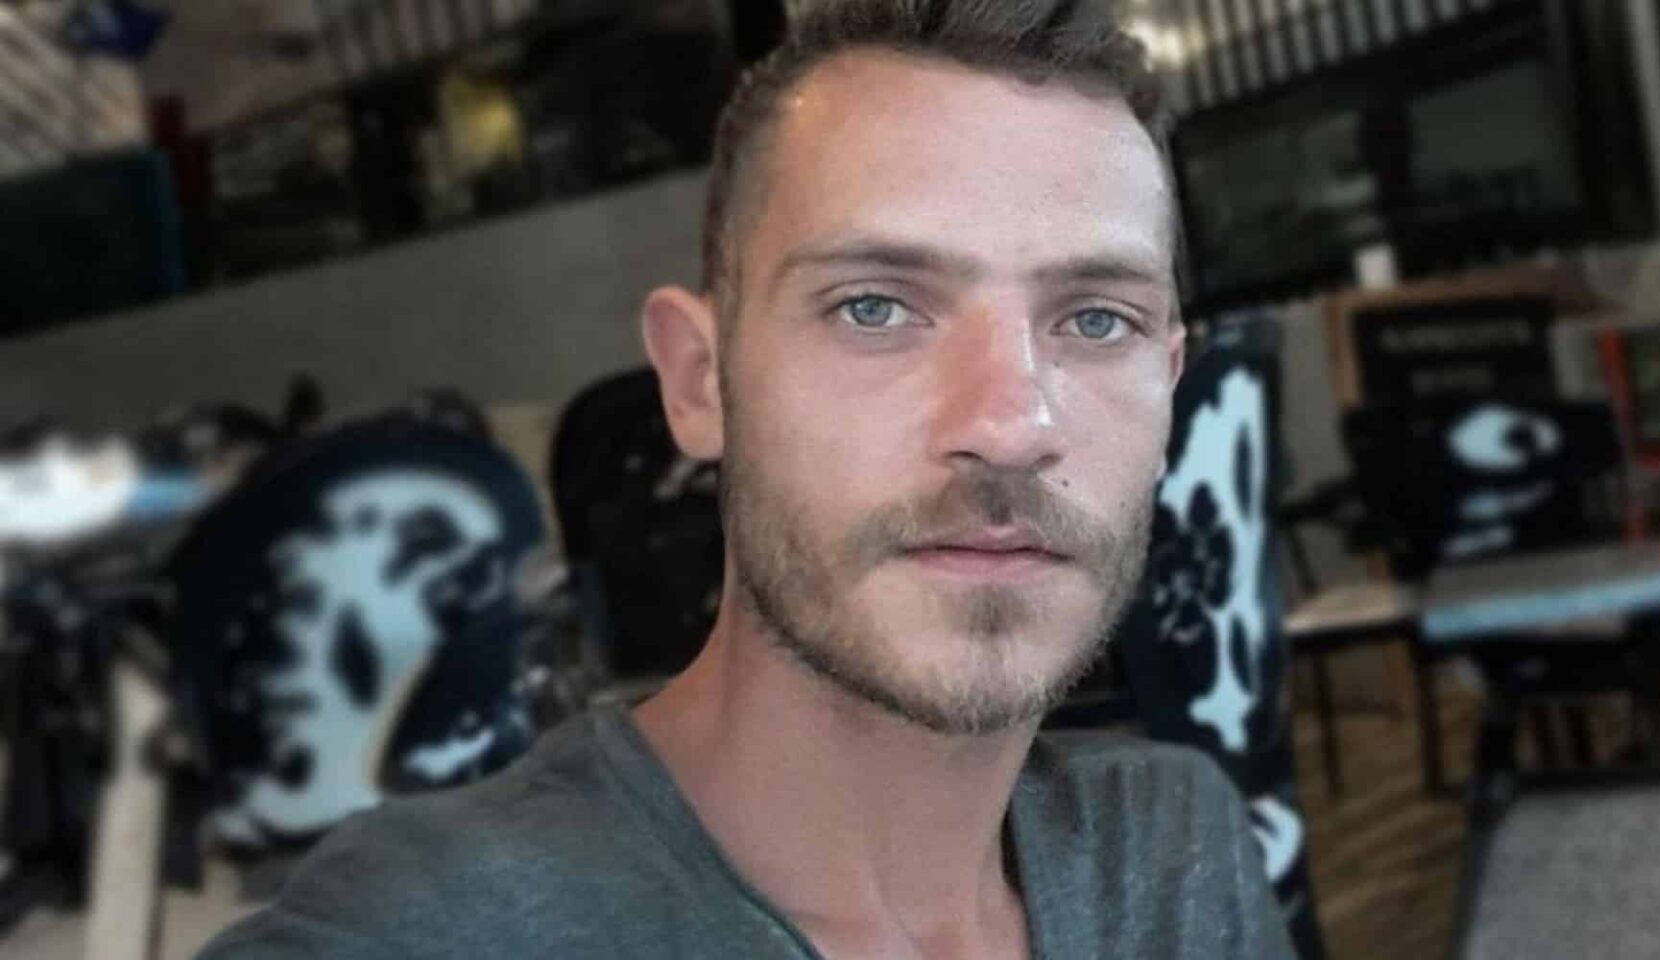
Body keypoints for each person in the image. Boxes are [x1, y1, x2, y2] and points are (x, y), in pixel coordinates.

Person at [200, 0, 1295, 956]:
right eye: (875, 307)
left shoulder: (1171, 849)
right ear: (699, 381)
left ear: (1167, 391)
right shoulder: (430, 932)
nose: (1012, 425)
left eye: (1096, 320)